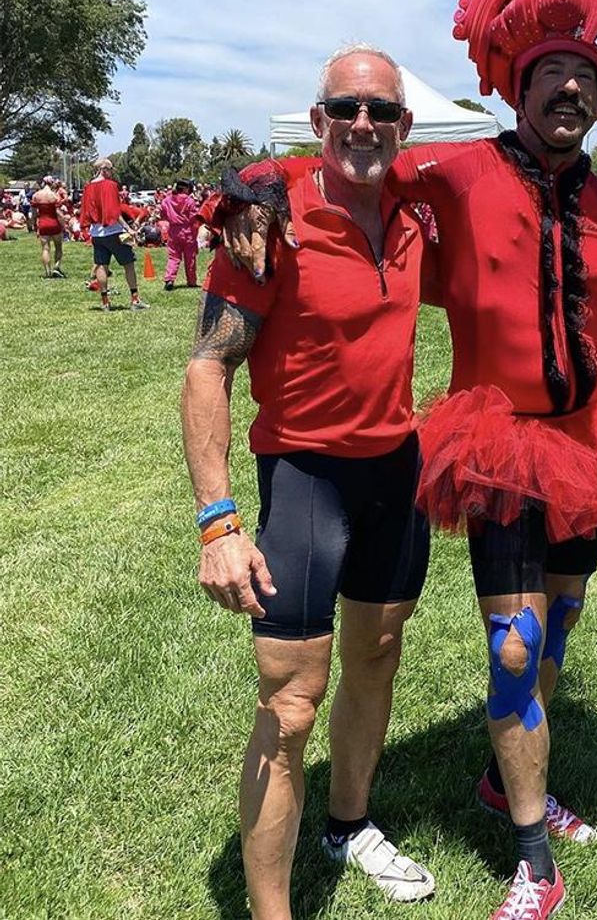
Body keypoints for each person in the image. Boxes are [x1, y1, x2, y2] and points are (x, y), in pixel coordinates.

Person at [217, 0, 597, 920]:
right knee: (513, 643)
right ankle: (535, 853)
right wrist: (254, 180)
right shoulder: (455, 176)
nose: (569, 92)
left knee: (560, 629)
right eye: (551, 78)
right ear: (518, 87)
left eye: (586, 79)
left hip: (594, 448)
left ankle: (500, 780)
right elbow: (355, 168)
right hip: (496, 444)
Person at [182, 46, 436, 917]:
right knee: (290, 706)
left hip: (397, 472)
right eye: (345, 108)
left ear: (405, 126)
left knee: (378, 655)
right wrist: (219, 520)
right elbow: (207, 368)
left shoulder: (411, 210)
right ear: (320, 119)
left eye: (382, 111)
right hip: (304, 480)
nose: (363, 124)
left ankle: (349, 820)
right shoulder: (271, 212)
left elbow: (501, 159)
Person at [79, 158, 149, 311]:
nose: (112, 173)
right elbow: (114, 211)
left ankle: (105, 302)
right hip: (113, 231)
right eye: (110, 170)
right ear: (104, 169)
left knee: (101, 266)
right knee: (128, 263)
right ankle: (135, 299)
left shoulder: (88, 187)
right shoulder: (110, 186)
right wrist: (128, 229)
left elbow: (85, 211)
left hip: (96, 233)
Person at [160, 178, 200, 290]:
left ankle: (169, 279)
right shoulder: (190, 201)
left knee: (173, 257)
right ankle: (191, 281)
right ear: (186, 188)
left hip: (173, 231)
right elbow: (194, 217)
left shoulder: (167, 200)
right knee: (190, 258)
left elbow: (162, 214)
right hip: (187, 231)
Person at [31, 176, 68, 278]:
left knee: (45, 249)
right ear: (52, 184)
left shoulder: (36, 195)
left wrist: (34, 224)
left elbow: (34, 214)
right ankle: (56, 267)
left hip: (43, 223)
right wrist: (63, 225)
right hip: (54, 223)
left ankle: (47, 272)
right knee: (58, 247)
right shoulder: (54, 196)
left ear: (43, 183)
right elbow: (58, 213)